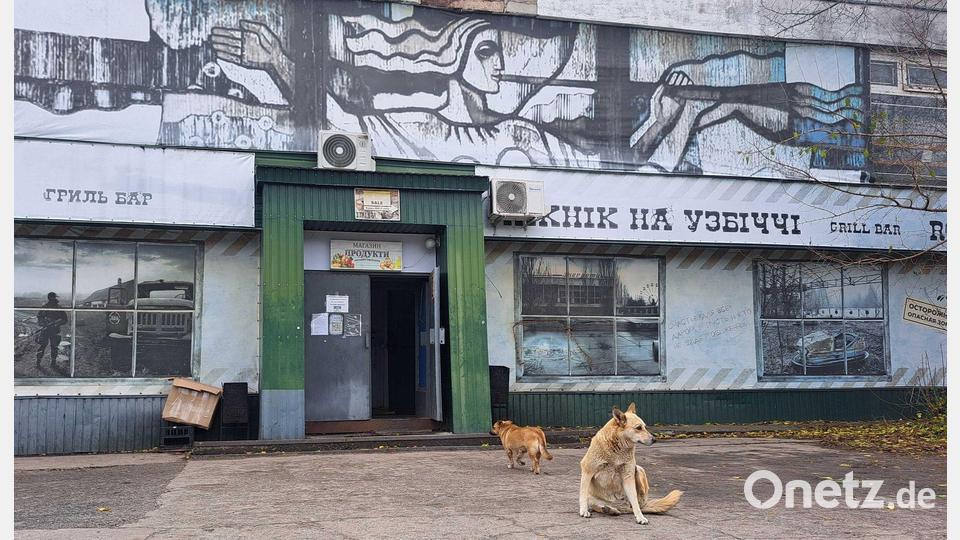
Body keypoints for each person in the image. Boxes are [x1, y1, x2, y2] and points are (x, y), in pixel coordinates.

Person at [36, 292, 68, 369]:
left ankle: (49, 363)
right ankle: (39, 363)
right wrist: (45, 323)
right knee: (46, 347)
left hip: (52, 330)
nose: (54, 299)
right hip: (48, 330)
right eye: (53, 297)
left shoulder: (56, 307)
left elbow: (65, 319)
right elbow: (39, 318)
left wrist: (55, 323)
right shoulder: (49, 307)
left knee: (51, 347)